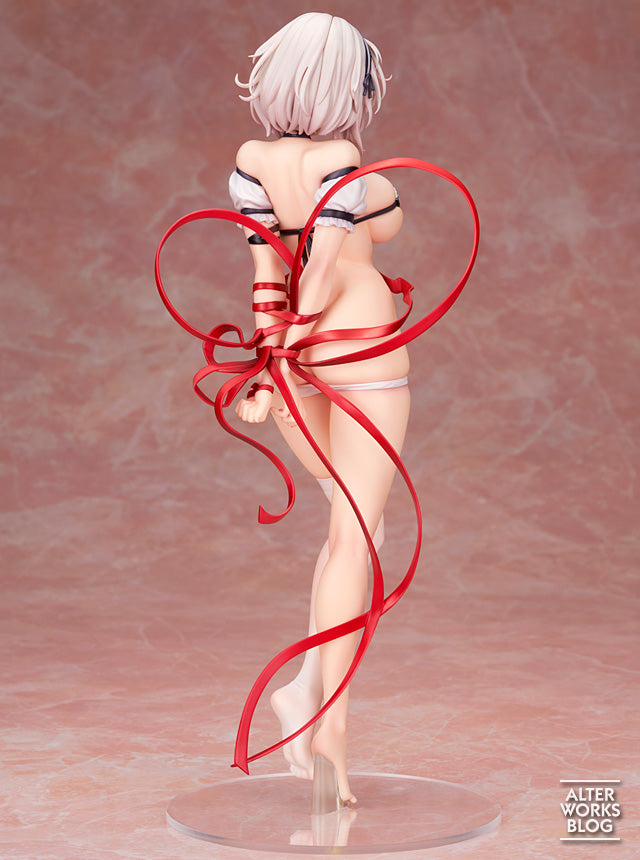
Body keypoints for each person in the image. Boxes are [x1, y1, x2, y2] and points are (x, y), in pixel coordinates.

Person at [230, 13, 410, 807]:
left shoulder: (253, 163)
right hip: (361, 349)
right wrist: (299, 338)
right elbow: (331, 264)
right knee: (359, 535)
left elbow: (266, 275)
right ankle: (326, 724)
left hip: (297, 364)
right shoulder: (345, 162)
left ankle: (306, 690)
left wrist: (275, 363)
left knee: (355, 528)